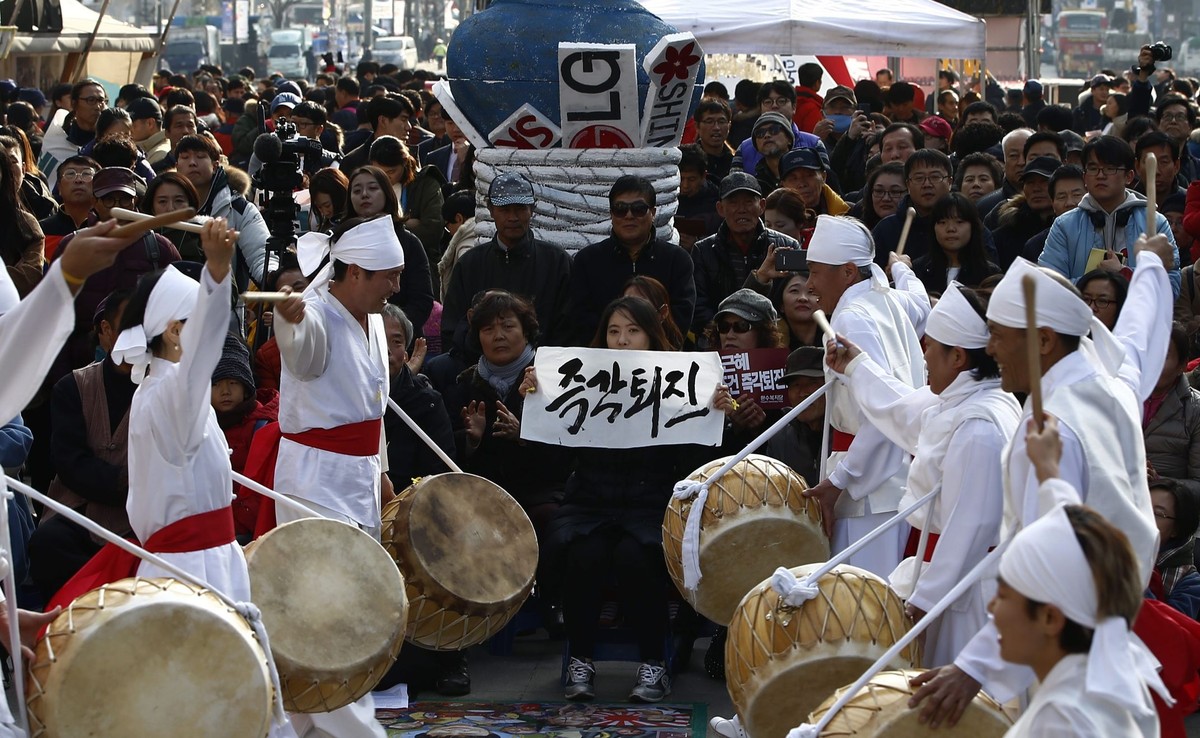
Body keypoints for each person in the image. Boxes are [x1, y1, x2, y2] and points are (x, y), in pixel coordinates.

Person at [909, 235, 1176, 732]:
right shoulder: (1114, 386)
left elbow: (1042, 556)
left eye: (998, 334)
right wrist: (1150, 270)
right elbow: (1138, 338)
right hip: (1104, 645)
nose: (990, 349)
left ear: (1045, 341)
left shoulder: (1051, 426)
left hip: (1059, 648)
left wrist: (973, 668)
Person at [525, 295, 734, 704]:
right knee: (582, 553)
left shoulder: (675, 381)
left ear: (651, 337)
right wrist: (536, 400)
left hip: (650, 502)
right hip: (588, 500)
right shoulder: (583, 379)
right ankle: (579, 659)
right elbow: (551, 456)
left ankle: (654, 662)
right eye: (614, 331)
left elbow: (696, 462)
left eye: (633, 331)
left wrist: (714, 412)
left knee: (636, 558)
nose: (622, 340)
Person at [824, 282, 1020, 667]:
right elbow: (900, 407)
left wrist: (925, 601)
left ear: (959, 357)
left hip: (965, 592)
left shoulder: (980, 426)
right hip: (940, 576)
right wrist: (857, 365)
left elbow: (972, 527)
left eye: (929, 345)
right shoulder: (960, 401)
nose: (923, 354)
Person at [272, 215, 404, 738]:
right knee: (330, 605)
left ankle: (306, 718)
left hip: (360, 473)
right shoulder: (316, 317)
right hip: (315, 479)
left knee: (343, 601)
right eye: (386, 276)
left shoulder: (371, 318)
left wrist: (383, 471)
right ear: (352, 271)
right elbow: (300, 354)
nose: (395, 287)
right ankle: (351, 726)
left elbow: (374, 410)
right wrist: (288, 319)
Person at [802, 215, 929, 576]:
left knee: (866, 612)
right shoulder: (889, 301)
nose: (809, 285)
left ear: (847, 273)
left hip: (867, 489)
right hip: (894, 482)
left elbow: (879, 413)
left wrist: (839, 481)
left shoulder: (852, 317)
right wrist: (903, 271)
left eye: (815, 271)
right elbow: (922, 305)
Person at [988, 499, 1166, 737]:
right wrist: (1049, 473)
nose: (991, 606)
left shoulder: (1063, 721)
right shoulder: (1109, 676)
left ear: (1050, 618)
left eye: (1002, 596)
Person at [31, 290, 135, 601]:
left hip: (139, 516)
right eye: (129, 327)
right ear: (106, 331)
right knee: (48, 543)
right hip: (79, 509)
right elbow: (68, 461)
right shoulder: (72, 386)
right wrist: (122, 483)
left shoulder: (162, 387)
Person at [439, 171, 572, 363]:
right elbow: (452, 330)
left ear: (532, 209)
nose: (512, 217)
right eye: (504, 209)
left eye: (520, 209)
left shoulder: (556, 262)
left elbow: (569, 329)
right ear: (491, 209)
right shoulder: (470, 264)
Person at [1038, 136, 1179, 295]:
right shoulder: (1064, 225)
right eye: (1093, 168)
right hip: (1082, 317)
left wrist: (1123, 273)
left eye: (1110, 168)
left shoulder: (1154, 222)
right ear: (1084, 177)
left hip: (1135, 318)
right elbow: (1048, 283)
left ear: (1129, 176)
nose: (1100, 175)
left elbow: (1171, 286)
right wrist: (1098, 284)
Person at [566, 175, 696, 346]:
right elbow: (580, 319)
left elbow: (680, 318)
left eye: (638, 208)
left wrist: (649, 348)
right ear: (611, 214)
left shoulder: (677, 260)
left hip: (661, 362)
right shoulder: (587, 260)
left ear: (653, 213)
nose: (629, 216)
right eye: (620, 209)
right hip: (601, 361)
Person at [691, 172, 799, 340]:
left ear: (762, 206)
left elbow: (797, 298)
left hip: (776, 343)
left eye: (749, 202)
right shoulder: (703, 250)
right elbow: (698, 308)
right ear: (720, 209)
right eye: (733, 203)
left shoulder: (787, 246)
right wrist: (726, 333)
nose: (742, 209)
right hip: (723, 341)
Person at [175, 134, 270, 296]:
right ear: (176, 166)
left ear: (215, 164)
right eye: (185, 157)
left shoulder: (239, 208)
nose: (192, 162)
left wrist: (274, 277)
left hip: (225, 305)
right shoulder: (161, 203)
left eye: (200, 156)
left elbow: (261, 254)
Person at [344, 165, 435, 335]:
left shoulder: (408, 242)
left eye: (372, 188)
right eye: (357, 190)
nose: (364, 194)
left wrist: (392, 329)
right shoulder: (341, 242)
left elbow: (422, 299)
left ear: (387, 193)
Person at [211, 331, 278, 542]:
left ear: (246, 386)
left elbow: (261, 493)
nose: (225, 391)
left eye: (233, 383)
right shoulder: (200, 426)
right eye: (216, 384)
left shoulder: (263, 427)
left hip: (247, 533)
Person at [1143, 323, 1200, 499]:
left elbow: (1198, 483)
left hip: (1166, 511)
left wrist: (1160, 483)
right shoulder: (1118, 395)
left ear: (1182, 365)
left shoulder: (1195, 409)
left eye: (1163, 356)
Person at [912, 193, 1000, 295]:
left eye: (959, 222)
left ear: (973, 227)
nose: (951, 229)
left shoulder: (989, 274)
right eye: (942, 222)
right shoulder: (918, 271)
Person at [991, 157, 1059, 270]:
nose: (1036, 189)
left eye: (1044, 181)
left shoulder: (1072, 228)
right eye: (1030, 182)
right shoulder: (1003, 235)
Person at [1148, 478, 1200, 618]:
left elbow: (1165, 631)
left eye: (1158, 513)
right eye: (1143, 506)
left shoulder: (1190, 583)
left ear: (1176, 529)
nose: (1145, 516)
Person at [142, 171, 202, 260]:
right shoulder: (140, 240)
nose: (170, 209)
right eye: (162, 201)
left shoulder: (205, 238)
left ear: (190, 204)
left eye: (179, 201)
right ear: (152, 207)